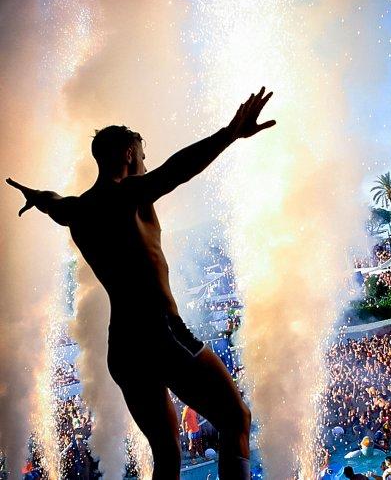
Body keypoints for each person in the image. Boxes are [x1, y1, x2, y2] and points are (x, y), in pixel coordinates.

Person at [7, 87, 276, 480]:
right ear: (129, 156)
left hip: (124, 347)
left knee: (166, 454)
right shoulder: (126, 194)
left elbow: (52, 202)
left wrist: (37, 195)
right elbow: (177, 170)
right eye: (143, 157)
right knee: (236, 416)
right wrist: (229, 133)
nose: (147, 166)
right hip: (162, 334)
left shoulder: (77, 211)